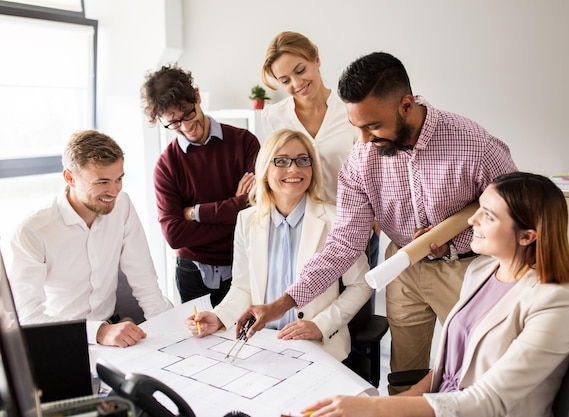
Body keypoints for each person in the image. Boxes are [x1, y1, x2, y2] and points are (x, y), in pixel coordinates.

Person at [236, 52, 518, 393]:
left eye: (372, 126)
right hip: (403, 266)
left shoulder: (473, 144)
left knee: (484, 366)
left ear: (406, 105)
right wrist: (281, 304)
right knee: (404, 376)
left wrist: (460, 234)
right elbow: (343, 244)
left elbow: (516, 211)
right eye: (357, 127)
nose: (365, 140)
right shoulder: (361, 159)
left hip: (467, 267)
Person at [301, 172, 569, 417]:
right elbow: (446, 370)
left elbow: (490, 401)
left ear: (527, 236)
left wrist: (374, 410)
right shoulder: (482, 271)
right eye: (479, 209)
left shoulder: (554, 305)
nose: (471, 220)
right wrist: (392, 404)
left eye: (488, 215)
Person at [186, 129, 372, 361]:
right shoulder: (247, 220)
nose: (294, 169)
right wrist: (219, 317)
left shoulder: (335, 220)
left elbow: (362, 285)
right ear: (265, 170)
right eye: (281, 161)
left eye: (303, 160)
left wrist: (319, 325)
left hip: (317, 347)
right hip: (262, 346)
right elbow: (243, 288)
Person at [9, 130, 173, 348]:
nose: (114, 191)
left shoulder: (122, 206)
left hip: (113, 332)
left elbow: (143, 277)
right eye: (102, 182)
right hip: (61, 338)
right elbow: (26, 316)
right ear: (69, 178)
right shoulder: (32, 232)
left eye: (119, 179)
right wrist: (99, 332)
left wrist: (170, 330)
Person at [141, 64, 261, 306]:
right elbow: (174, 235)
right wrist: (234, 210)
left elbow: (257, 207)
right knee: (197, 341)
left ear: (196, 96)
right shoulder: (166, 166)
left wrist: (196, 213)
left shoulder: (244, 142)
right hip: (192, 273)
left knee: (246, 339)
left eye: (188, 113)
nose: (186, 127)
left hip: (243, 263)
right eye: (174, 123)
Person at [260, 31, 380, 269]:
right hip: (302, 233)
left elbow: (374, 169)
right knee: (305, 304)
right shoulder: (274, 117)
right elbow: (275, 174)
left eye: (300, 70)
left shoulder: (350, 109)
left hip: (354, 229)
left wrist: (376, 216)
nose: (296, 84)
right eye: (285, 81)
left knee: (357, 301)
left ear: (316, 59)